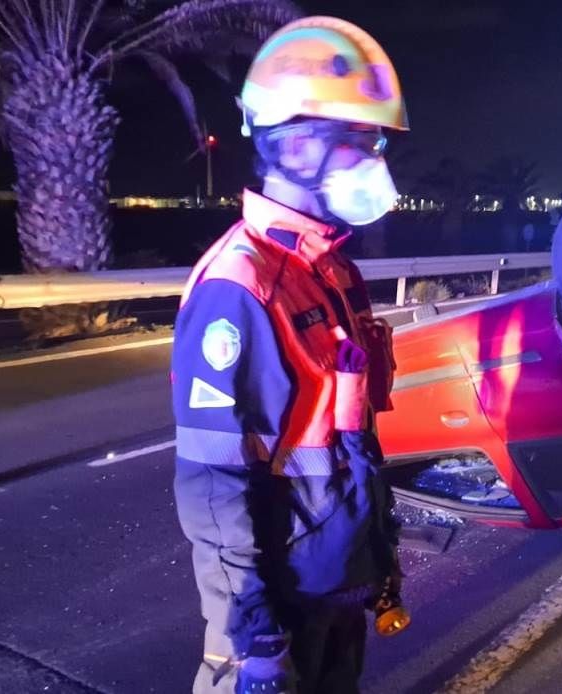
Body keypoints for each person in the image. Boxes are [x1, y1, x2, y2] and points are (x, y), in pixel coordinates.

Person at [170, 16, 407, 694]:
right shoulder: (239, 288)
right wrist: (255, 639)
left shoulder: (327, 270)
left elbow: (348, 435)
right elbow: (213, 487)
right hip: (279, 611)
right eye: (360, 140)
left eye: (376, 141)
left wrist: (377, 554)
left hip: (336, 581)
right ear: (299, 144)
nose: (375, 160)